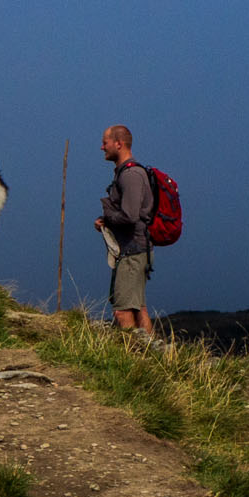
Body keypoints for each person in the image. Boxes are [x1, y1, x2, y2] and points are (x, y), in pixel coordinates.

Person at [95, 124, 156, 342]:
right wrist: (107, 223)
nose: (102, 147)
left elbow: (130, 216)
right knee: (138, 307)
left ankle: (134, 358)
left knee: (122, 309)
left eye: (106, 142)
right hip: (138, 248)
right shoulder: (130, 173)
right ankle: (153, 355)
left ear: (119, 144)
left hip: (132, 251)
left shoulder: (130, 175)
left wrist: (108, 217)